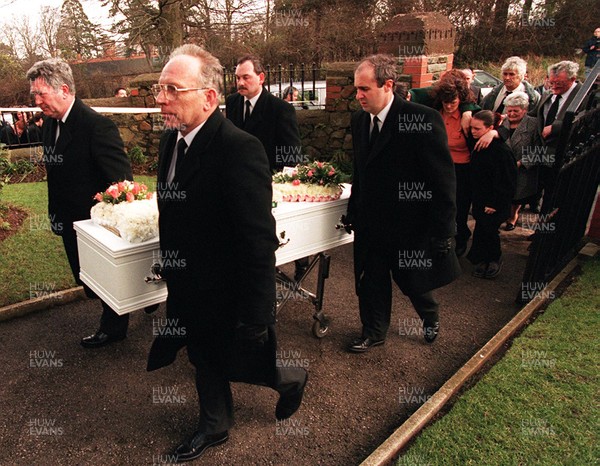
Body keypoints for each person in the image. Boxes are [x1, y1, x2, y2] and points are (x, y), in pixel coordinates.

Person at [147, 44, 307, 462]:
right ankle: (215, 425)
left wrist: (258, 312)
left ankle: (288, 379)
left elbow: (258, 241)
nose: (161, 98)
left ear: (209, 97)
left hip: (227, 286)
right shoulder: (170, 141)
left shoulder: (240, 149)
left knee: (235, 353)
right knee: (202, 354)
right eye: (159, 88)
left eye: (172, 89)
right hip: (187, 279)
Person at [344, 54, 461, 353]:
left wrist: (444, 231)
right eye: (356, 89)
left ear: (388, 85)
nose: (358, 96)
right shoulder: (359, 120)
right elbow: (361, 170)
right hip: (371, 222)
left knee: (412, 280)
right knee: (371, 281)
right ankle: (373, 332)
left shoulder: (421, 119)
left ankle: (429, 314)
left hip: (410, 222)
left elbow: (442, 180)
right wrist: (353, 211)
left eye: (364, 89)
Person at [26, 58, 132, 348]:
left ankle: (114, 327)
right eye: (34, 95)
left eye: (40, 94)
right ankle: (131, 302)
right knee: (86, 279)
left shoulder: (97, 126)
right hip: (67, 218)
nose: (36, 101)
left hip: (95, 225)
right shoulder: (50, 124)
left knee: (103, 278)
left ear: (63, 89)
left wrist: (110, 220)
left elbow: (121, 182)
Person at [225, 55, 308, 281]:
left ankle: (302, 260)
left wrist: (280, 182)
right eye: (237, 78)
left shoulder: (280, 109)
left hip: (270, 180)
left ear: (261, 78)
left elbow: (292, 153)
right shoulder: (232, 102)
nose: (240, 82)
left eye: (246, 77)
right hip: (239, 179)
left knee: (276, 228)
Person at [430, 70, 480, 257]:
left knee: (458, 207)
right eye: (446, 102)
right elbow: (417, 93)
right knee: (439, 206)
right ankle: (440, 238)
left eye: (454, 102)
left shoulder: (471, 114)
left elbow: (493, 122)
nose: (449, 106)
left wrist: (466, 109)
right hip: (440, 167)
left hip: (462, 169)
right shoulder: (435, 112)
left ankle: (461, 237)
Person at [467, 110, 517, 279]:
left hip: (495, 200)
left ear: (489, 129)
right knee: (482, 228)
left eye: (477, 129)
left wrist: (494, 203)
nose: (473, 132)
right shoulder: (479, 144)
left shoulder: (501, 151)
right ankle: (482, 259)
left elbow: (507, 180)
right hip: (481, 197)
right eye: (471, 128)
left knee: (489, 230)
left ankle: (493, 259)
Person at [534, 61, 582, 212]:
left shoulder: (584, 96)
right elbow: (533, 115)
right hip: (542, 152)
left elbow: (580, 119)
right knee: (539, 188)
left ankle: (545, 230)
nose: (553, 86)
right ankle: (540, 225)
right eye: (551, 82)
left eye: (559, 83)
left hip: (563, 154)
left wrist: (554, 128)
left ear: (572, 79)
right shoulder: (549, 93)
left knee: (554, 196)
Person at [498, 92, 542, 231]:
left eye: (515, 111)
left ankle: (513, 216)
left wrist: (522, 162)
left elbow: (540, 149)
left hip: (521, 168)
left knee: (517, 196)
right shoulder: (501, 123)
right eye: (509, 110)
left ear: (524, 110)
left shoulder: (534, 125)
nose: (511, 113)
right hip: (503, 167)